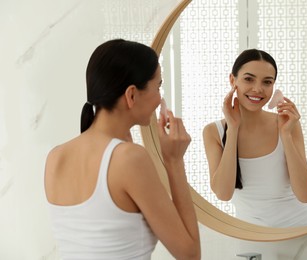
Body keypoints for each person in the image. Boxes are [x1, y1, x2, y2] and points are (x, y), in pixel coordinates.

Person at [44, 39, 200, 259]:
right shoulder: (129, 159)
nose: (160, 99)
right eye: (158, 86)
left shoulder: (56, 157)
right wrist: (174, 161)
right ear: (132, 95)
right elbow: (190, 254)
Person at [203, 49, 307, 228]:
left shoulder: (287, 124)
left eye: (267, 82)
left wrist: (286, 136)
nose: (258, 89)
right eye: (248, 79)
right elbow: (223, 193)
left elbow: (306, 195)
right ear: (232, 80)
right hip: (252, 235)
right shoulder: (214, 132)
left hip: (303, 228)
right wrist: (233, 128)